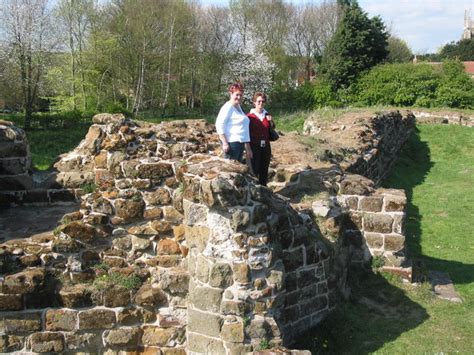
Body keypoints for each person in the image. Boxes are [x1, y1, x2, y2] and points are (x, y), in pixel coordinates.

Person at [215, 83, 253, 163]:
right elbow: (219, 124)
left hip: (240, 144)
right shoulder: (227, 107)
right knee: (231, 171)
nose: (239, 97)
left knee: (237, 169)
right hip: (232, 144)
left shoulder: (238, 107)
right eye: (237, 95)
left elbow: (244, 129)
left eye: (241, 95)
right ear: (231, 93)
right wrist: (225, 143)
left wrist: (248, 148)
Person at [247, 92, 275, 186]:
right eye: (258, 101)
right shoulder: (249, 117)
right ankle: (255, 191)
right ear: (254, 102)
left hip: (266, 146)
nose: (261, 103)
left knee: (264, 168)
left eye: (263, 101)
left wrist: (270, 120)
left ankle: (264, 190)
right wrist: (247, 148)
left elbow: (272, 127)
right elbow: (246, 132)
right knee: (254, 170)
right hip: (254, 146)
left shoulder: (267, 115)